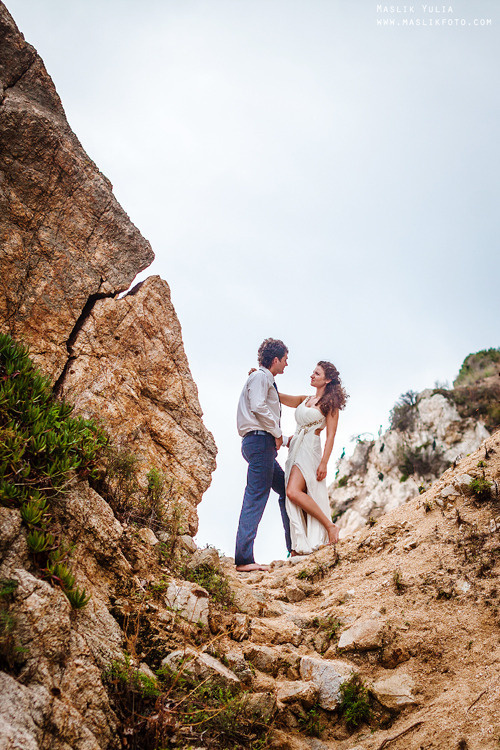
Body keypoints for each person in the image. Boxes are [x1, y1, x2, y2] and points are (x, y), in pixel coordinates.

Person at [235, 338, 292, 572]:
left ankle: (294, 546)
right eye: (286, 360)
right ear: (276, 359)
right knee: (255, 497)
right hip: (259, 442)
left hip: (261, 443)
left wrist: (282, 438)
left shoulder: (263, 379)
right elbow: (259, 407)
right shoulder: (260, 377)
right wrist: (278, 433)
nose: (287, 365)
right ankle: (244, 559)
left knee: (288, 489)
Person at [280, 361, 348, 556]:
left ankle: (330, 526)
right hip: (295, 448)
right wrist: (264, 380)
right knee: (294, 495)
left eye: (317, 373)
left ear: (327, 380)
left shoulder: (330, 405)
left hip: (311, 450)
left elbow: (331, 436)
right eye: (313, 372)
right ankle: (300, 544)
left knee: (293, 492)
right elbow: (279, 397)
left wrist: (324, 462)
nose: (312, 375)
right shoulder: (305, 399)